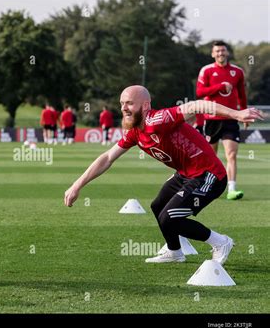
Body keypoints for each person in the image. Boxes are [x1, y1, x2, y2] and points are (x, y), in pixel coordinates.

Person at [64, 85, 262, 263]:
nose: (124, 108)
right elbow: (107, 158)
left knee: (169, 217)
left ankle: (221, 242)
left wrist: (236, 114)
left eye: (130, 103)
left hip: (209, 175)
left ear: (146, 105)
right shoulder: (134, 131)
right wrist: (77, 185)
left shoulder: (159, 119)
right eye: (122, 103)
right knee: (158, 206)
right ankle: (175, 252)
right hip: (186, 174)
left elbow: (196, 105)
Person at [196, 40, 247, 200]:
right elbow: (199, 92)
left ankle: (231, 188)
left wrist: (244, 113)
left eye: (223, 51)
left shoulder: (237, 72)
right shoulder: (207, 70)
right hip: (212, 119)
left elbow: (241, 95)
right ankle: (209, 186)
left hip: (231, 119)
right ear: (213, 54)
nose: (220, 53)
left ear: (227, 53)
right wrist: (220, 87)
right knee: (211, 156)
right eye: (217, 51)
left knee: (231, 154)